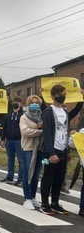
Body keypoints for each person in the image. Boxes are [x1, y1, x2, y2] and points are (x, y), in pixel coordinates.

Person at [40, 84, 83, 215]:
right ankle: (45, 204)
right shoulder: (48, 112)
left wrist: (68, 151)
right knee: (48, 176)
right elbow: (46, 134)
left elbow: (66, 129)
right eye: (59, 95)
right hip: (49, 151)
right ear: (53, 96)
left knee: (59, 178)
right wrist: (51, 153)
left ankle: (55, 203)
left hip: (62, 150)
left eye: (64, 94)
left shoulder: (64, 112)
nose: (62, 97)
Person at [19, 95, 44, 210]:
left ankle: (33, 196)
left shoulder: (41, 116)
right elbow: (25, 132)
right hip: (28, 148)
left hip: (39, 148)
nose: (35, 104)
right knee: (27, 172)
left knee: (36, 173)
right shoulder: (24, 117)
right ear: (28, 104)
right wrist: (39, 131)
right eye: (32, 102)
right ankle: (27, 198)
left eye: (37, 102)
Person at [0, 96, 24, 186]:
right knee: (10, 159)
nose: (16, 103)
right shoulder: (8, 115)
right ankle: (10, 176)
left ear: (20, 103)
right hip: (9, 140)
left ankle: (20, 178)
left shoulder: (23, 115)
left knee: (21, 160)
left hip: (19, 140)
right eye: (14, 101)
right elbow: (4, 127)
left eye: (17, 102)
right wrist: (3, 139)